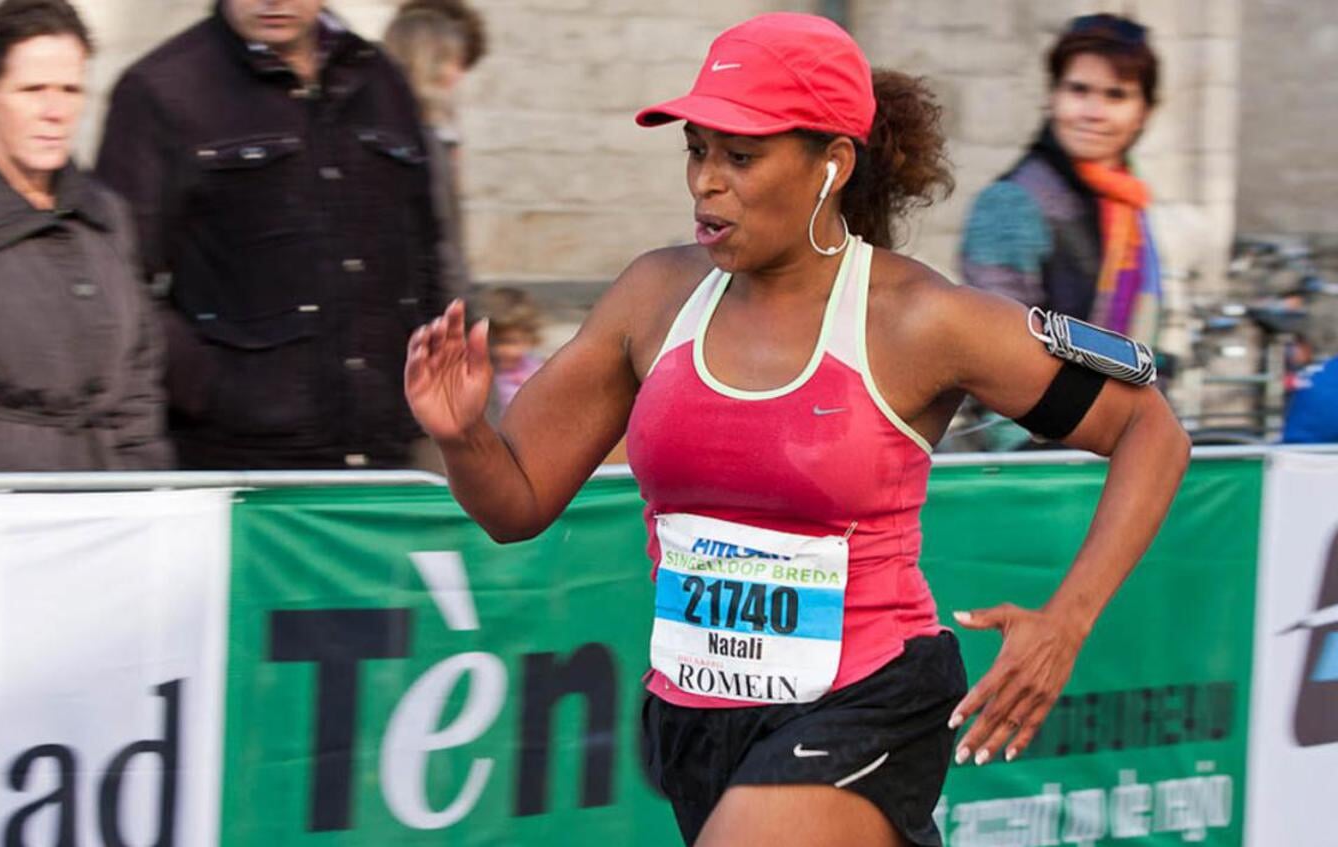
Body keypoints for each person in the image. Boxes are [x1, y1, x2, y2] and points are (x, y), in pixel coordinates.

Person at [405, 13, 1190, 847]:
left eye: (740, 157)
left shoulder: (918, 319)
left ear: (831, 165)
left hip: (865, 702)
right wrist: (461, 435)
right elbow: (516, 500)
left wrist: (1065, 623)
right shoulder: (654, 296)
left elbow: (1151, 430)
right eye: (697, 149)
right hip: (693, 722)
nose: (707, 181)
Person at [95, 0, 444, 470]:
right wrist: (211, 387)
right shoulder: (161, 90)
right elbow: (116, 276)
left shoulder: (381, 81)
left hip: (386, 452)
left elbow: (426, 252)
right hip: (240, 465)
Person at [0, 0, 171, 472]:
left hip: (109, 512)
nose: (54, 111)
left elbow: (138, 391)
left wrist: (144, 496)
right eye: (32, 89)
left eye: (69, 90)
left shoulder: (107, 217)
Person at [962, 13, 1163, 345]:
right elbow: (1003, 357)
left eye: (1116, 95)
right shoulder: (1010, 204)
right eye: (1078, 90)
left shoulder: (1127, 200)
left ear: (1145, 112)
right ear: (1052, 97)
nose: (1093, 112)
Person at [382, 0, 489, 303]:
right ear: (431, 63)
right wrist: (464, 313)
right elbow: (442, 241)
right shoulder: (422, 139)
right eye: (454, 62)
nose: (458, 75)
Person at [475, 286, 545, 414]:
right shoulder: (476, 371)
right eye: (492, 341)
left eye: (510, 342)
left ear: (529, 340)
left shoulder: (535, 374)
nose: (498, 350)